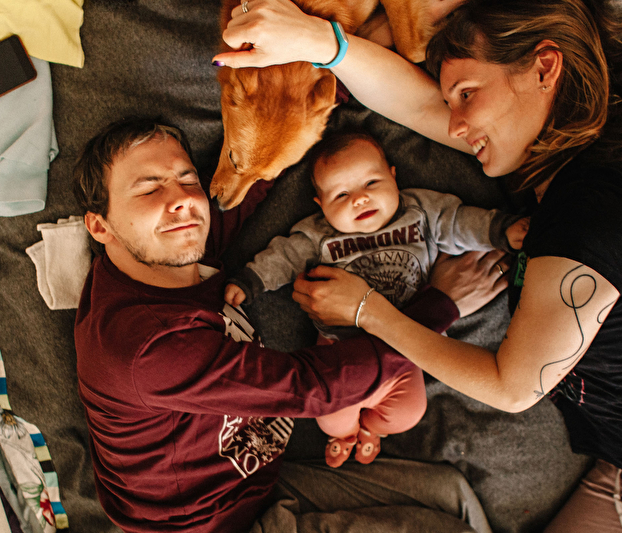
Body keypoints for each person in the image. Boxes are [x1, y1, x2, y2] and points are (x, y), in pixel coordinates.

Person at [213, 0, 622, 531]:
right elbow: (418, 108)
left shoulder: (597, 210)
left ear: (544, 67)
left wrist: (368, 310)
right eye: (452, 100)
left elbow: (511, 387)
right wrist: (319, 43)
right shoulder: (562, 154)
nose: (457, 125)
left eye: (466, 95)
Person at [71, 117, 503, 532]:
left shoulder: (168, 249)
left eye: (188, 180)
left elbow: (255, 177)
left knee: (453, 496)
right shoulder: (145, 348)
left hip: (259, 487)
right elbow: (312, 387)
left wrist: (324, 91)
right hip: (210, 525)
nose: (183, 200)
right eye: (148, 189)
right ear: (99, 226)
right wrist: (442, 305)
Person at [226, 130, 527, 468]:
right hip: (339, 347)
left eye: (371, 183)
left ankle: (372, 429)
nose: (360, 199)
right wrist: (250, 282)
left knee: (408, 413)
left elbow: (459, 222)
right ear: (320, 205)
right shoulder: (316, 235)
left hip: (407, 346)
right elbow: (282, 257)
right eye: (341, 195)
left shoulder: (420, 212)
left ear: (394, 177)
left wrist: (500, 230)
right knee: (331, 419)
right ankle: (345, 434)